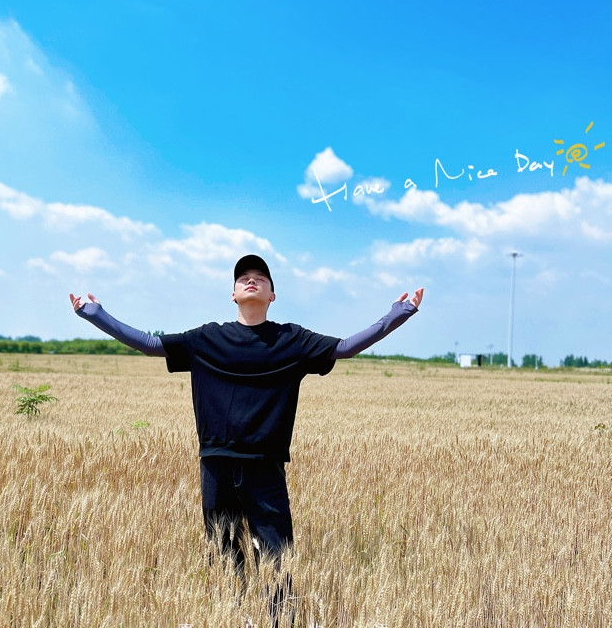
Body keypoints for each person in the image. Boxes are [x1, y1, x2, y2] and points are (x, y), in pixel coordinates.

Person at [70, 254, 423, 618]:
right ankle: (232, 617)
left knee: (276, 557)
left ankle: (280, 621)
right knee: (224, 556)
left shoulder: (292, 339)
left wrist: (399, 314)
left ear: (272, 296)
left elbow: (345, 347)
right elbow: (150, 344)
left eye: (260, 278)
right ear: (233, 294)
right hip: (216, 464)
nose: (251, 280)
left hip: (265, 466)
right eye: (243, 278)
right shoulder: (207, 338)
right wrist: (96, 315)